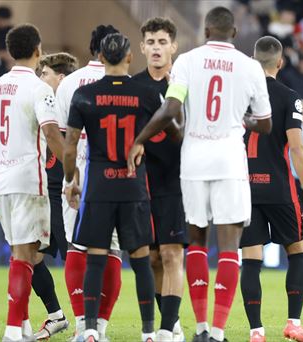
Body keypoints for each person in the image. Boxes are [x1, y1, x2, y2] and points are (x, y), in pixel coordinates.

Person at [127, 6, 272, 342]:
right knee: (229, 246)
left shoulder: (188, 62)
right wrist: (242, 121)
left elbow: (171, 109)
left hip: (193, 161)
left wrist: (140, 139)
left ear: (206, 32)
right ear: (234, 33)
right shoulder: (249, 67)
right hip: (230, 162)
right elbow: (264, 124)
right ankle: (219, 332)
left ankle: (201, 327)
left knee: (194, 242)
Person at [63, 32, 158, 342]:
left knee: (95, 257)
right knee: (141, 260)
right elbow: (162, 137)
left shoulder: (85, 95)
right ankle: (148, 332)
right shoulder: (146, 94)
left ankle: (90, 329)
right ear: (131, 57)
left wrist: (69, 181)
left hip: (99, 187)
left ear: (100, 58)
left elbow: (69, 146)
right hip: (132, 186)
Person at [0, 23, 65, 342]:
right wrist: (72, 173)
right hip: (29, 180)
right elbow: (52, 133)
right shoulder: (39, 88)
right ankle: (13, 330)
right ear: (38, 50)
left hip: (0, 181)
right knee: (26, 257)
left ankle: (25, 325)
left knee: (19, 254)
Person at [240, 36, 303, 342]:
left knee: (251, 259)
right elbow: (297, 148)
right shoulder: (289, 97)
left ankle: (256, 331)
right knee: (297, 252)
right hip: (280, 189)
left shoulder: (238, 96)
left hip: (244, 190)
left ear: (252, 61)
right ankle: (293, 323)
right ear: (280, 63)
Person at [55, 24, 121, 342]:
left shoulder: (69, 83)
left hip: (79, 172)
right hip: (117, 177)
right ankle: (102, 328)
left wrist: (69, 179)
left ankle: (83, 327)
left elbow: (62, 137)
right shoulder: (128, 83)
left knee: (77, 248)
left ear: (92, 47)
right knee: (112, 252)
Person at [130, 17, 185, 341]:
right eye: (150, 42)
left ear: (173, 47)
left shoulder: (184, 83)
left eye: (162, 42)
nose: (156, 48)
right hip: (141, 182)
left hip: (176, 181)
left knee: (171, 253)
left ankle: (168, 325)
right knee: (151, 258)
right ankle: (170, 317)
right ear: (141, 47)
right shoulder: (134, 86)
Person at [32, 52, 78, 341]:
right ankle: (56, 316)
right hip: (43, 191)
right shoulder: (41, 103)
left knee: (76, 256)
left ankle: (89, 323)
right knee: (32, 255)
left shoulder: (74, 106)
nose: (40, 79)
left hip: (66, 191)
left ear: (61, 78)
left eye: (45, 73)